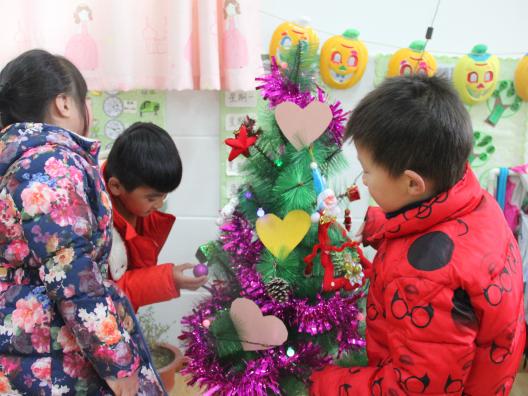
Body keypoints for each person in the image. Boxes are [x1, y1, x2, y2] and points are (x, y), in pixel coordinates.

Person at [310, 75, 525, 395]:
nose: (364, 181)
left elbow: (413, 388)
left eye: (367, 170)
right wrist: (384, 226)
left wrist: (322, 383)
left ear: (413, 184)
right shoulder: (477, 201)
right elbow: (441, 227)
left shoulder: (427, 279)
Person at [0, 49, 165, 395]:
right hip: (54, 359)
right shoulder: (48, 165)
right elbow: (73, 274)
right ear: (63, 103)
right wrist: (118, 363)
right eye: (84, 98)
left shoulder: (16, 159)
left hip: (29, 350)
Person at [102, 122, 208, 312]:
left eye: (164, 196)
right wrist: (168, 279)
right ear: (116, 186)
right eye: (152, 198)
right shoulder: (94, 223)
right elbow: (105, 296)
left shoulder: (138, 209)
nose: (159, 205)